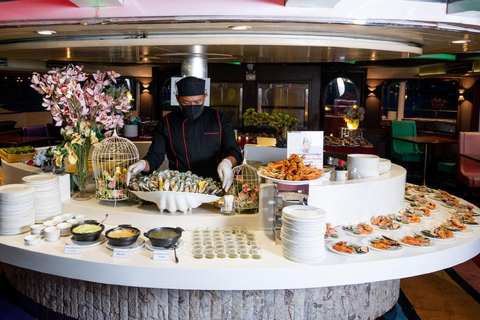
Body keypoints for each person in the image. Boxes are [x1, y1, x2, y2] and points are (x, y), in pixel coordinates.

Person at [126, 76, 242, 191]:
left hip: (215, 185)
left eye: (198, 102)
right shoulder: (166, 123)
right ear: (177, 98)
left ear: (205, 97)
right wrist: (141, 164)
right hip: (179, 188)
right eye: (186, 102)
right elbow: (155, 157)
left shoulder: (218, 118)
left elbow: (233, 150)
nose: (192, 107)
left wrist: (227, 162)